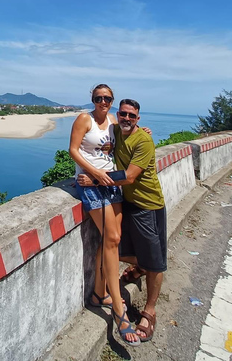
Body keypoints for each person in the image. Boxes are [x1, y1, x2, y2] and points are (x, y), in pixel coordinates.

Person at [77, 98, 166, 343]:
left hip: (147, 204)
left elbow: (128, 176)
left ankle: (149, 311)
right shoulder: (113, 126)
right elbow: (78, 148)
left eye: (132, 116)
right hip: (124, 198)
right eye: (124, 114)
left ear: (138, 118)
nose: (127, 118)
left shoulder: (142, 138)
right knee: (113, 242)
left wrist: (94, 179)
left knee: (154, 260)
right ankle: (103, 295)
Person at [69, 84, 140, 346]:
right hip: (90, 184)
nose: (103, 102)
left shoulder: (112, 120)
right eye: (98, 98)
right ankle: (119, 310)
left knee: (112, 239)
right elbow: (74, 150)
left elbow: (123, 136)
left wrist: (140, 130)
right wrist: (95, 173)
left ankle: (99, 293)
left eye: (107, 98)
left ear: (112, 101)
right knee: (111, 237)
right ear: (92, 99)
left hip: (111, 184)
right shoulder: (84, 119)